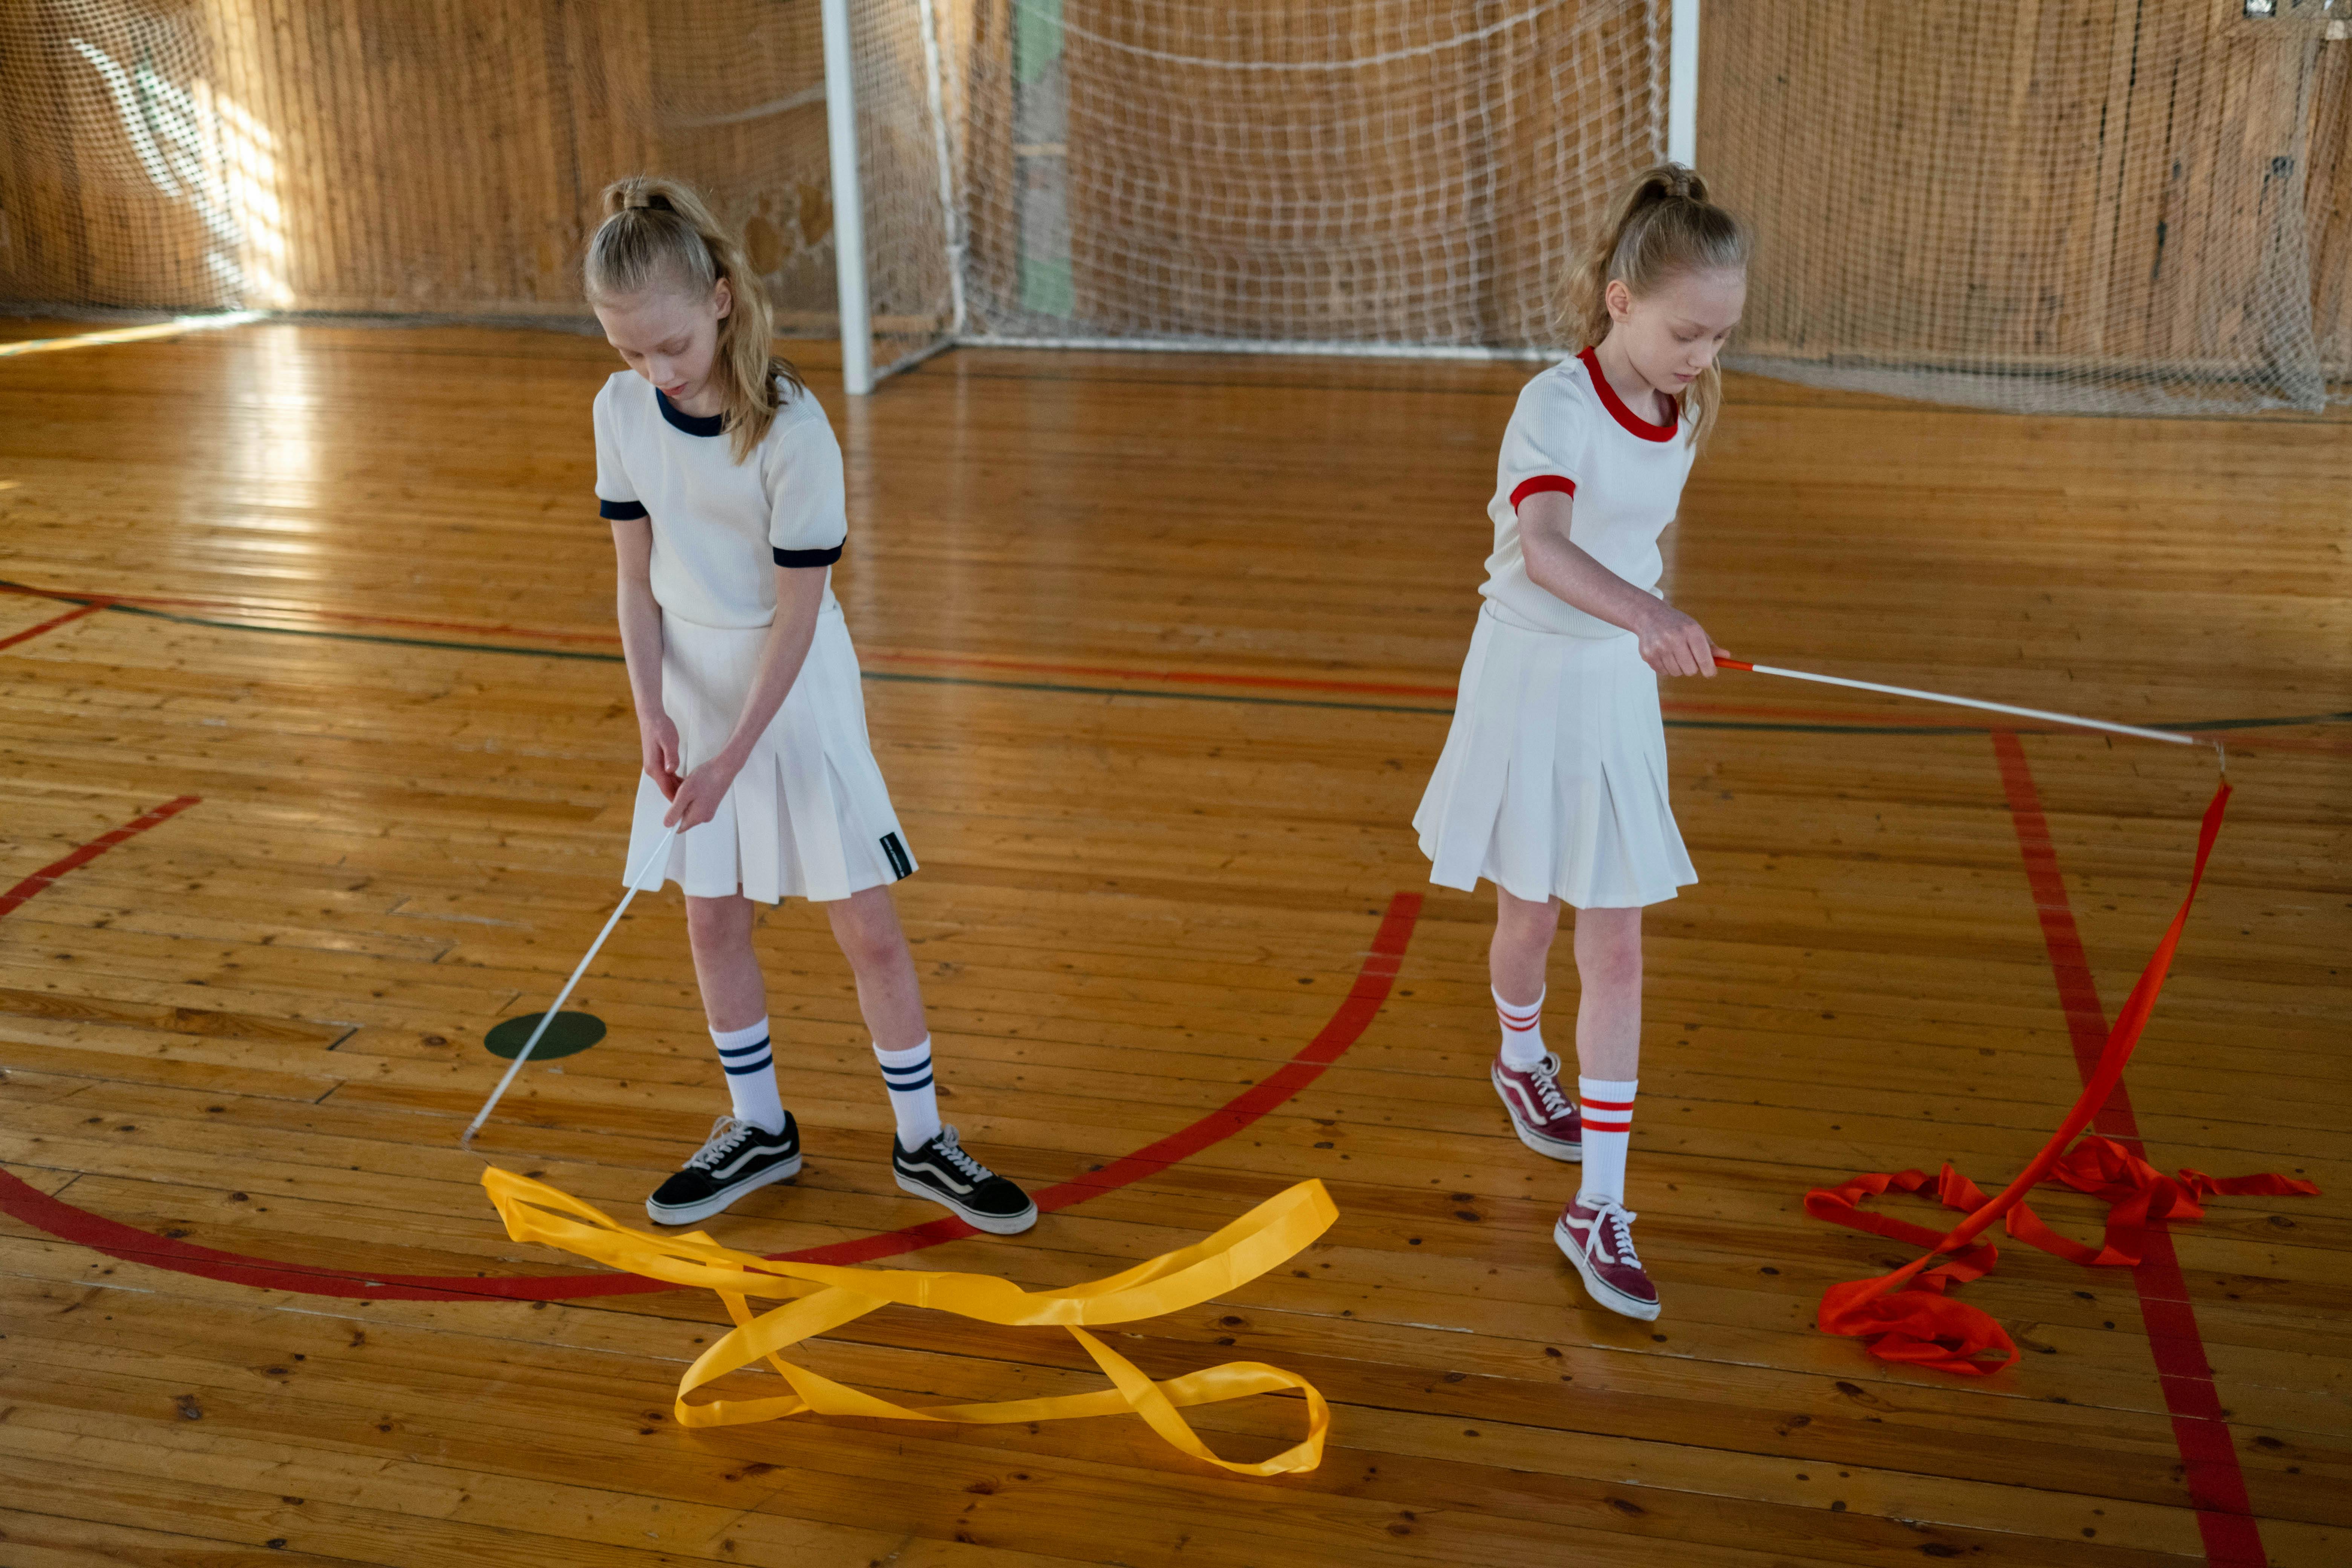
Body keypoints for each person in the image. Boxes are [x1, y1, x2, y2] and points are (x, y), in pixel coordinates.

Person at [585, 175, 1034, 1235]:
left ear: (724, 299)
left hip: (792, 694)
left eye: (672, 347)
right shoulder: (618, 413)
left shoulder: (794, 431)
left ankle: (925, 1142)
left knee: (866, 928)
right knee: (710, 919)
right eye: (628, 353)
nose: (655, 372)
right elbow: (633, 579)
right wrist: (652, 711)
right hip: (692, 687)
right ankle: (759, 1127)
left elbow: (799, 615)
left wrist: (734, 753)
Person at [1413, 162, 1749, 1320]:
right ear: (1620, 302)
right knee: (1529, 917)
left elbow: (1622, 533)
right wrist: (1652, 612)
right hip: (1527, 679)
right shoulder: (1552, 403)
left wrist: (1646, 628)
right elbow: (1550, 547)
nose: (1703, 358)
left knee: (1616, 947)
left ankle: (1597, 1206)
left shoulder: (1686, 406)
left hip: (1612, 689)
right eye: (1686, 332)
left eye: (1719, 338)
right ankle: (1519, 1054)